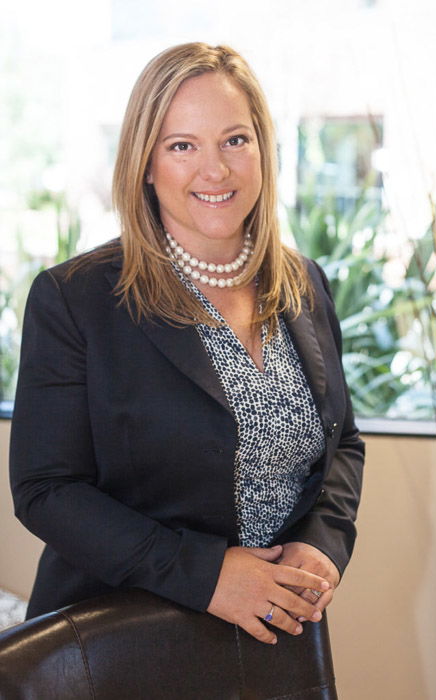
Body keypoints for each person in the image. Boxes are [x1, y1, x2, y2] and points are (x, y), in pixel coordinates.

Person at [10, 42, 364, 697]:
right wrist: (206, 574)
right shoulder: (77, 298)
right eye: (181, 146)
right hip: (118, 647)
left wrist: (323, 543)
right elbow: (46, 489)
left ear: (262, 147)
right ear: (144, 162)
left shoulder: (304, 283)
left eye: (234, 139)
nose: (215, 169)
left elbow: (340, 440)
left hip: (272, 643)